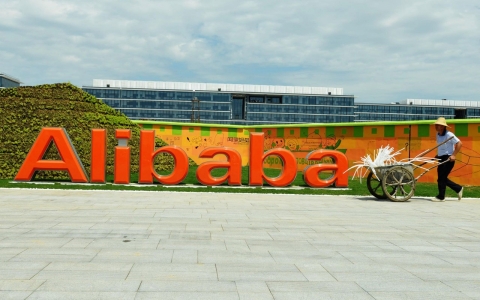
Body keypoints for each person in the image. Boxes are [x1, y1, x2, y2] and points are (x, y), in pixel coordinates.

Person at [432, 117, 463, 202]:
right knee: (441, 178)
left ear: (442, 126)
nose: (436, 126)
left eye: (437, 125)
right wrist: (437, 156)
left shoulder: (449, 134)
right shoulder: (438, 134)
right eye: (436, 125)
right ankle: (458, 188)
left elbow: (459, 143)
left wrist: (454, 155)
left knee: (442, 178)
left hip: (448, 158)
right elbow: (441, 147)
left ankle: (441, 197)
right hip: (441, 158)